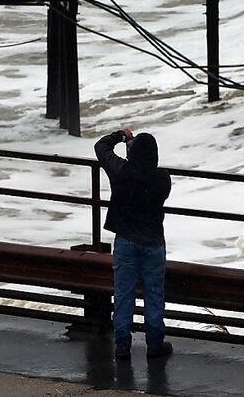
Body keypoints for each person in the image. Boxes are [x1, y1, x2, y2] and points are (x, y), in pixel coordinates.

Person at [94, 127, 173, 361]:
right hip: (153, 243)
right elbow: (143, 166)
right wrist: (134, 147)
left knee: (123, 294)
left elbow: (101, 148)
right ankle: (155, 344)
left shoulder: (121, 172)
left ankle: (122, 346)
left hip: (126, 241)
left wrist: (121, 136)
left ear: (132, 153)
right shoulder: (162, 178)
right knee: (154, 294)